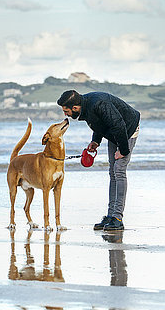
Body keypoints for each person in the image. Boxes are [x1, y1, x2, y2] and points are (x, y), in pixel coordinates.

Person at [57, 90, 140, 231]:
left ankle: (118, 218)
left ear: (75, 108)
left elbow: (118, 124)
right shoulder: (86, 106)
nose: (66, 114)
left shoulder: (98, 103)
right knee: (112, 172)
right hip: (115, 131)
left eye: (66, 111)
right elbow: (100, 122)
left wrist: (124, 150)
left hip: (128, 128)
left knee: (119, 170)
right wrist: (95, 141)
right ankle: (111, 216)